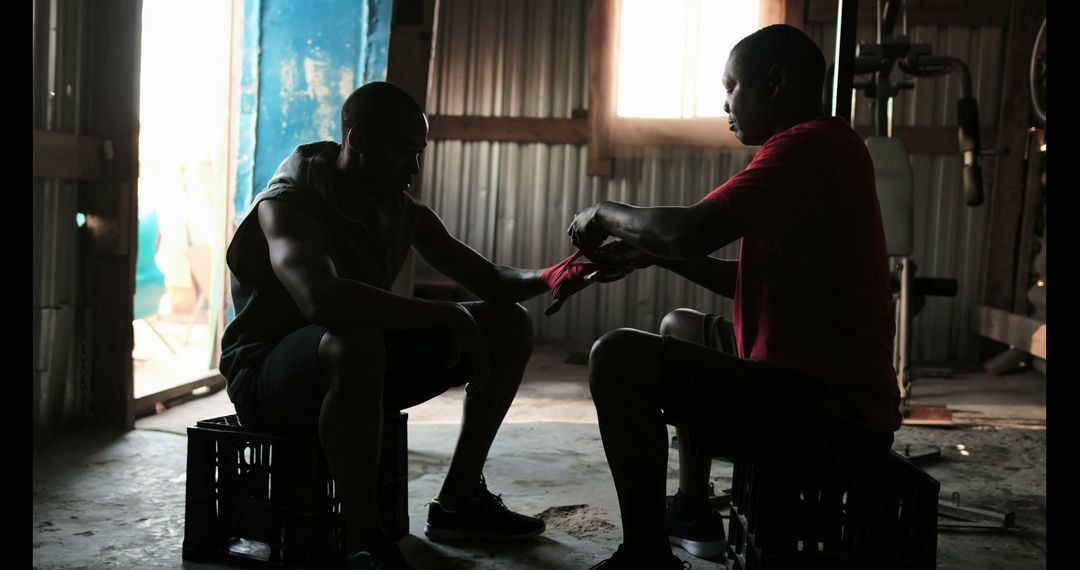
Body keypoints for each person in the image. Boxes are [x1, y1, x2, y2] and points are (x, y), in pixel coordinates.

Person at [219, 81, 613, 569]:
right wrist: (444, 314)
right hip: (267, 377)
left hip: (359, 364)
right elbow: (320, 299)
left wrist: (555, 274)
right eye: (403, 149)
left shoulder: (399, 210)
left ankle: (459, 501)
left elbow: (488, 279)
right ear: (358, 141)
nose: (415, 165)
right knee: (355, 341)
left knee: (508, 324)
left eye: (419, 150)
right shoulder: (287, 204)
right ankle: (365, 540)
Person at [569, 25, 902, 569]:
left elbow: (689, 230)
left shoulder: (806, 150)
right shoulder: (824, 146)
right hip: (814, 383)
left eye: (731, 86)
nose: (725, 102)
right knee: (679, 325)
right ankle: (691, 508)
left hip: (831, 413)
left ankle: (645, 556)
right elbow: (754, 279)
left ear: (774, 81)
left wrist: (607, 213)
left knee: (617, 357)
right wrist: (655, 255)